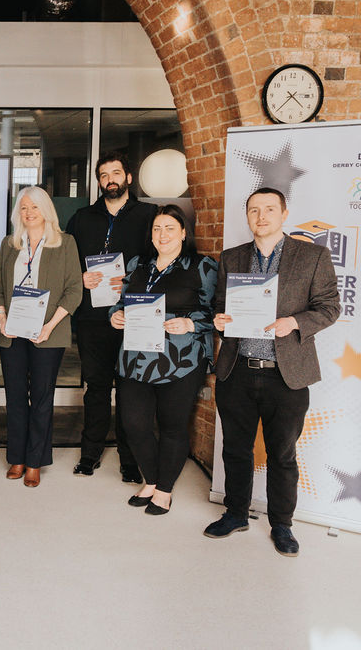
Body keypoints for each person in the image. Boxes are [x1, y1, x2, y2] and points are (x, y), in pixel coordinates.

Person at [204, 187, 340, 556]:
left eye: (268, 209)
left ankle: (282, 524)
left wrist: (295, 322)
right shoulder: (232, 257)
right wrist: (219, 320)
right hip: (238, 370)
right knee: (235, 448)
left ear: (284, 213)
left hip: (287, 373)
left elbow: (330, 307)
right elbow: (220, 307)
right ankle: (235, 513)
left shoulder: (312, 256)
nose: (260, 216)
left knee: (282, 453)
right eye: (253, 210)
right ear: (247, 217)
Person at [108, 205, 217, 515]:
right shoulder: (137, 264)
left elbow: (219, 314)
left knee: (172, 426)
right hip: (136, 357)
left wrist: (191, 324)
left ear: (183, 232)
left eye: (170, 228)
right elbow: (119, 302)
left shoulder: (202, 266)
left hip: (181, 359)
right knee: (134, 424)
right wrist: (115, 315)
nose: (163, 234)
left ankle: (164, 489)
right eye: (157, 229)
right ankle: (152, 479)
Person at [66, 152, 156, 482]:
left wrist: (132, 279)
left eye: (116, 173)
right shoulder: (81, 218)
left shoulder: (149, 215)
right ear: (98, 181)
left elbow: (163, 260)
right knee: (97, 388)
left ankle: (129, 459)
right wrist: (79, 276)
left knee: (131, 389)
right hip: (93, 318)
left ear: (129, 178)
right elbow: (65, 263)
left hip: (134, 316)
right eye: (104, 175)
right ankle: (89, 454)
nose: (110, 180)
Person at [0, 186, 82, 487]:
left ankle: (35, 461)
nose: (29, 213)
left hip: (48, 333)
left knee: (41, 399)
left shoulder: (65, 243)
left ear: (46, 210)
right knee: (16, 397)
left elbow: (74, 290)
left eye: (34, 207)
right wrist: (2, 316)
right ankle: (17, 457)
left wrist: (49, 326)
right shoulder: (10, 244)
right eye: (23, 208)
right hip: (12, 332)